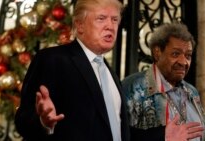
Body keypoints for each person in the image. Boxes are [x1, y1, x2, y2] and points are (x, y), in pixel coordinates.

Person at [14, 0, 130, 141]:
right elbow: (23, 120)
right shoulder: (53, 60)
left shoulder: (109, 72)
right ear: (79, 25)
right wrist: (44, 122)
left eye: (114, 19)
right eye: (101, 18)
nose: (110, 26)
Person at [122, 22, 205, 141]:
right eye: (175, 54)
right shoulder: (132, 88)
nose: (183, 62)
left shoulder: (192, 91)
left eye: (188, 56)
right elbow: (118, 135)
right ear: (157, 53)